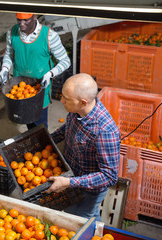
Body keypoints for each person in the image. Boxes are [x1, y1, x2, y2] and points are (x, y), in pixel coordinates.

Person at [45, 73, 120, 222]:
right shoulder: (76, 111)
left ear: (83, 102)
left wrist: (69, 183)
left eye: (66, 99)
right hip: (74, 175)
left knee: (77, 220)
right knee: (89, 216)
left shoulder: (105, 131)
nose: (61, 101)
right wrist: (48, 139)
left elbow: (109, 176)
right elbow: (68, 128)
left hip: (89, 189)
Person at [0, 12, 71, 129]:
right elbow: (9, 53)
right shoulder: (12, 32)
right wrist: (5, 68)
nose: (21, 24)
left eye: (26, 20)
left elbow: (65, 61)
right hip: (19, 86)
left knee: (40, 123)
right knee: (27, 118)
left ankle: (43, 145)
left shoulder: (49, 36)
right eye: (18, 20)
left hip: (40, 86)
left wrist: (50, 74)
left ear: (34, 17)